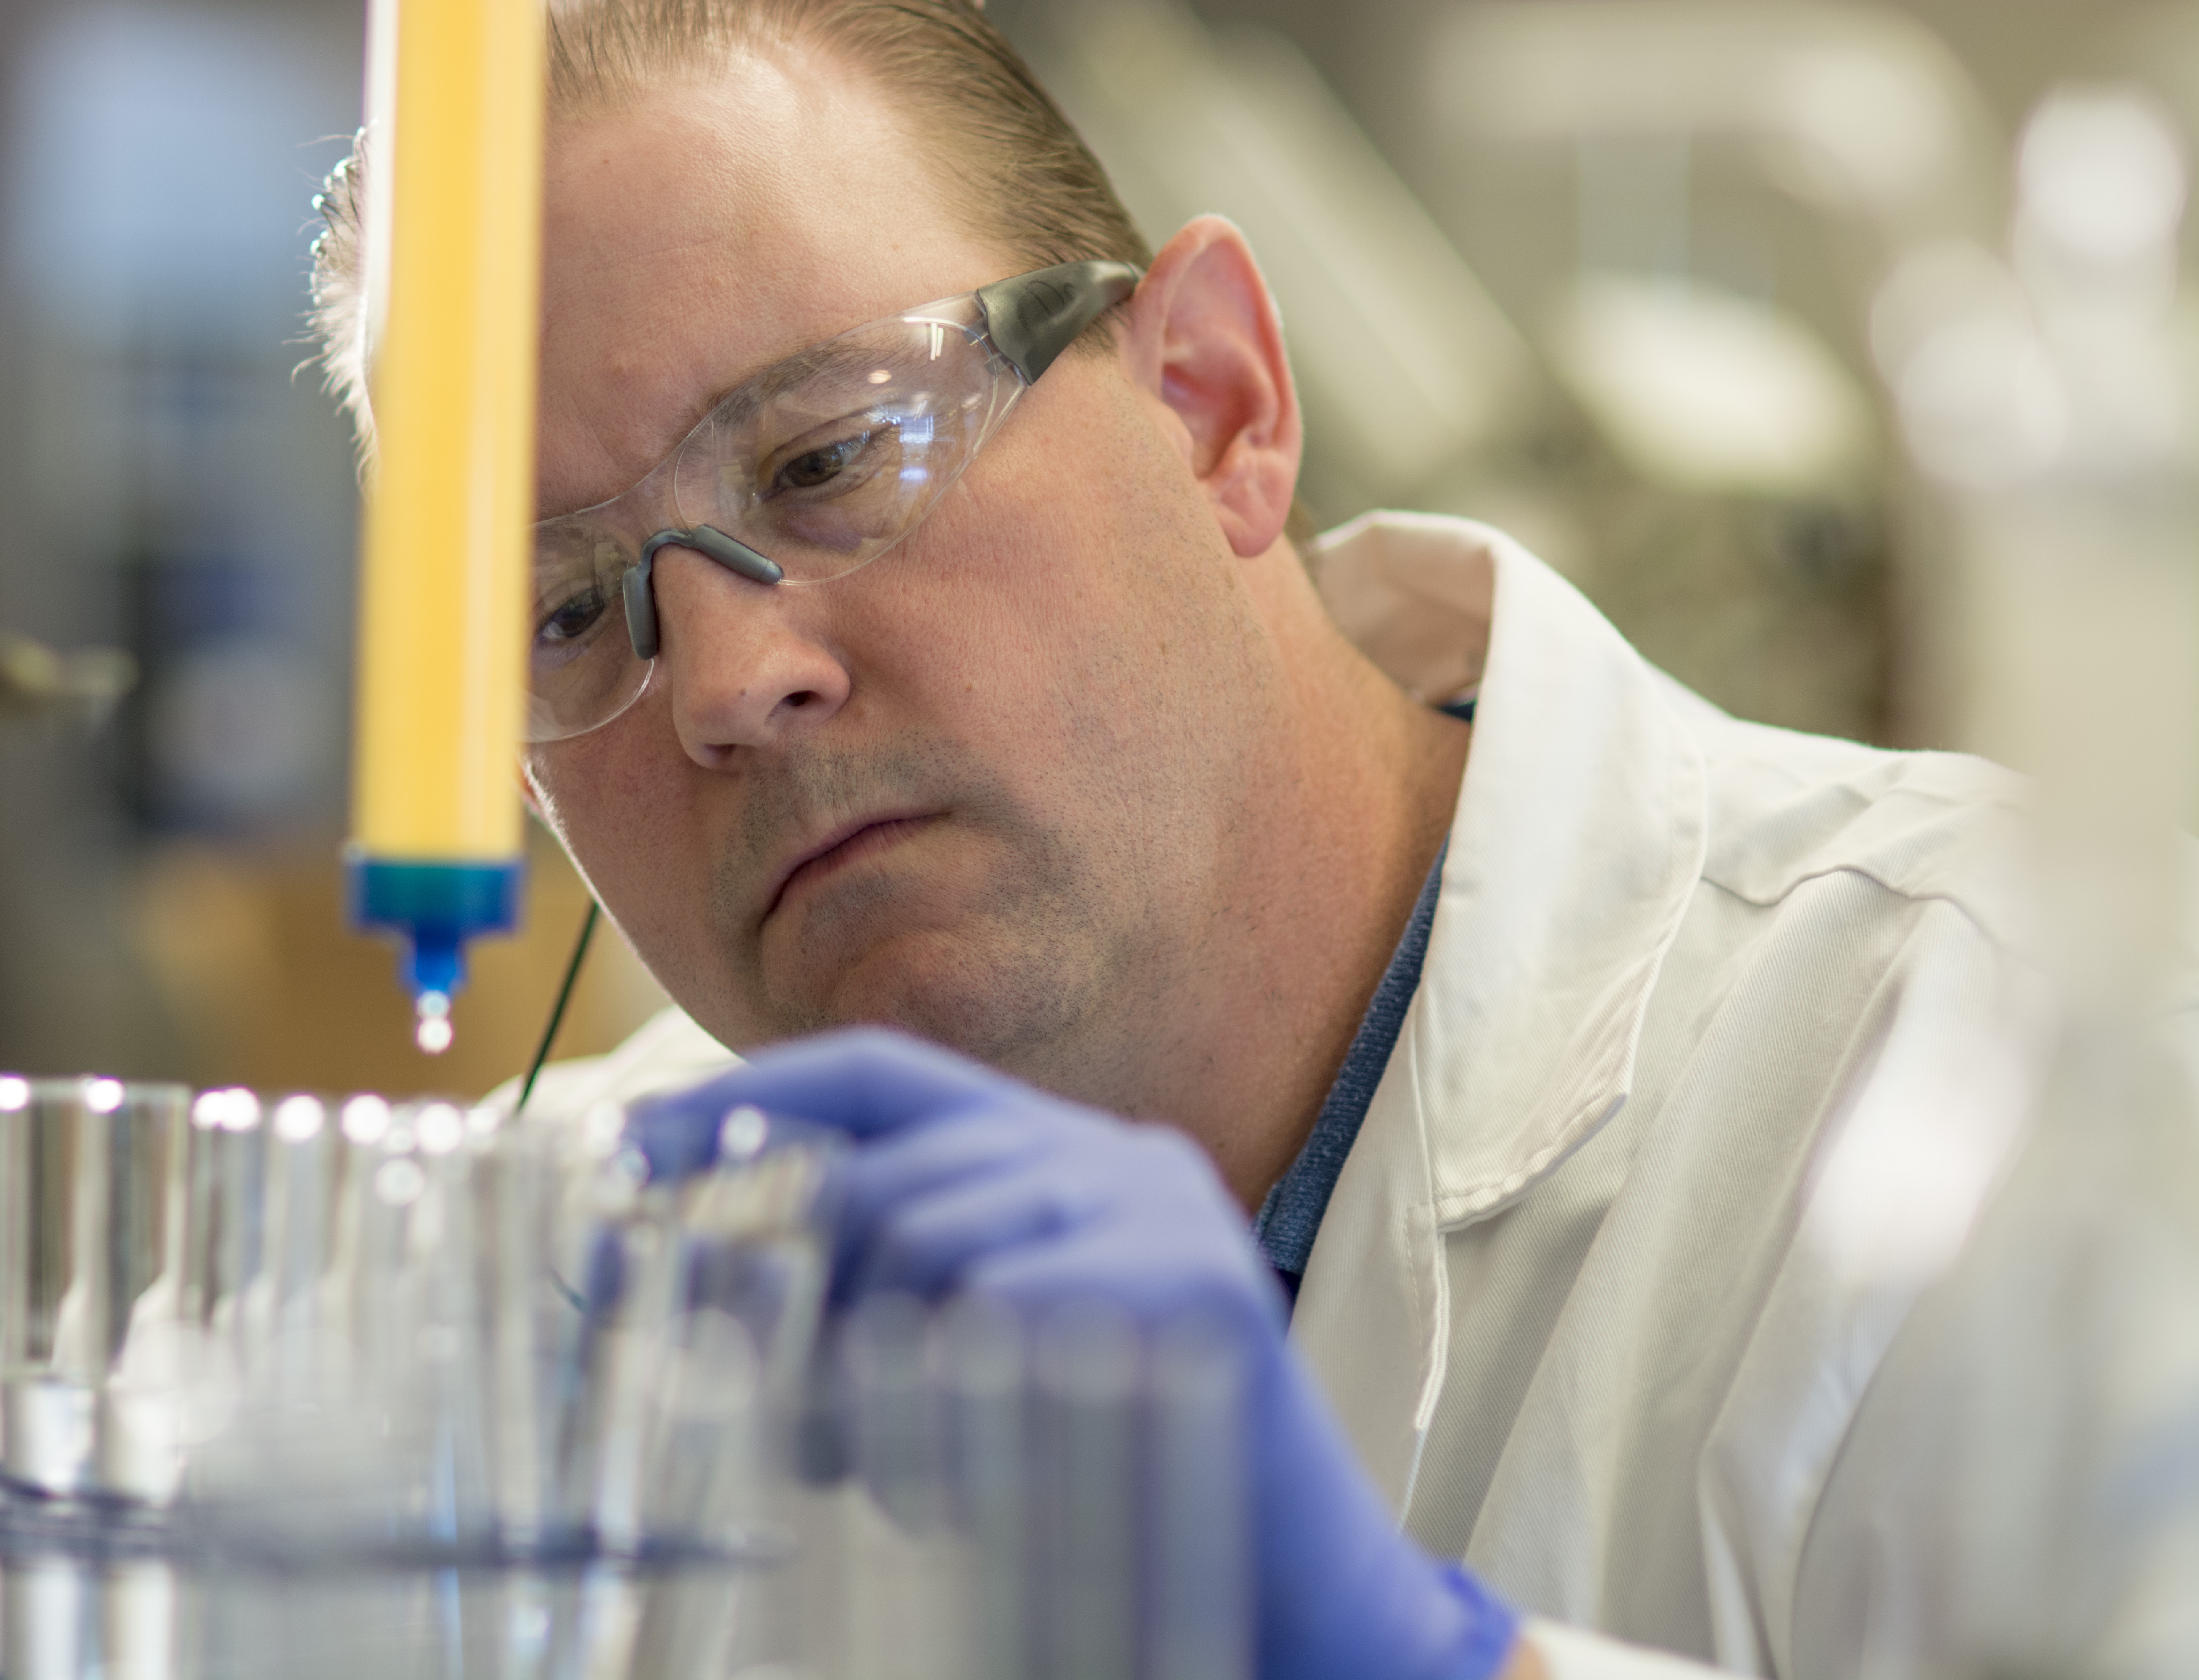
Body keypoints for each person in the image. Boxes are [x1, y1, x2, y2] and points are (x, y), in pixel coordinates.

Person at [309, 3, 2199, 1676]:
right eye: (564, 611)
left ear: (1216, 406)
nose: (723, 678)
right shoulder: (551, 1272)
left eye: (827, 457)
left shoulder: (2027, 1067)